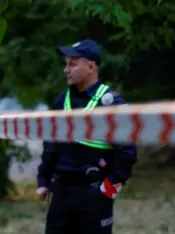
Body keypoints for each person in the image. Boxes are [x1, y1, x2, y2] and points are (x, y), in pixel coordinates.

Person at [36, 39, 137, 234]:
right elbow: (51, 144)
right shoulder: (61, 99)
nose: (66, 70)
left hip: (93, 192)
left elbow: (127, 151)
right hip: (61, 192)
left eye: (72, 64)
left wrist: (108, 189)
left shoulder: (111, 103)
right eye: (66, 64)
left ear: (91, 66)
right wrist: (43, 180)